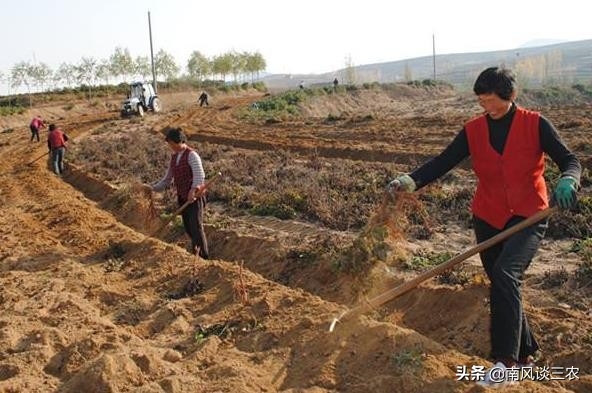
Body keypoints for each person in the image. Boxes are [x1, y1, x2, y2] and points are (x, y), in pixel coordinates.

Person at [387, 67, 581, 388]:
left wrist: (568, 179)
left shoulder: (535, 124)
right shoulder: (473, 130)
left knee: (506, 274)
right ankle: (526, 354)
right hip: (488, 216)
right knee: (503, 283)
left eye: (491, 100)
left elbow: (569, 158)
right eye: (481, 101)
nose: (486, 107)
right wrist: (411, 180)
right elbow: (443, 160)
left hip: (529, 214)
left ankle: (504, 363)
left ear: (510, 96)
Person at [147, 127, 209, 259]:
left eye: (171, 143)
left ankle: (204, 257)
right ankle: (196, 255)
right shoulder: (174, 158)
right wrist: (152, 188)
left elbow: (199, 175)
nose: (170, 146)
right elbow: (167, 179)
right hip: (182, 197)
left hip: (195, 198)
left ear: (179, 141)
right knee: (188, 228)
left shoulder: (192, 155)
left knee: (196, 227)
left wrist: (193, 190)